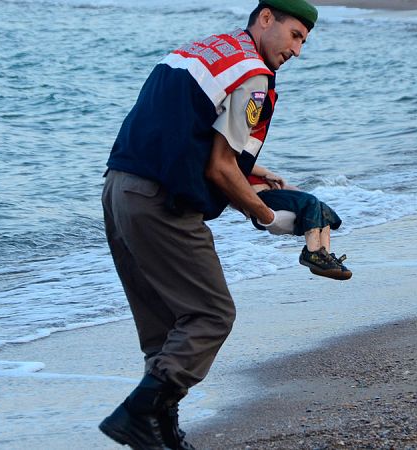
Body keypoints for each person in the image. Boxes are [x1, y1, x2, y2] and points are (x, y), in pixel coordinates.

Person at [98, 0, 326, 448]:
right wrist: (269, 217)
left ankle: (161, 436)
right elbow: (220, 170)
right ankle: (135, 413)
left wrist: (252, 171)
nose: (298, 50)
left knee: (163, 330)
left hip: (119, 189)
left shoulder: (205, 49)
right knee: (210, 314)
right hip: (161, 203)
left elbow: (184, 125)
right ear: (266, 18)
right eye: (296, 35)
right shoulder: (254, 75)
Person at [245, 166, 352, 280]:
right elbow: (243, 162)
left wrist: (281, 183)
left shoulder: (254, 169)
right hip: (261, 197)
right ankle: (312, 254)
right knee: (311, 201)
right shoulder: (239, 163)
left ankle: (324, 257)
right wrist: (267, 173)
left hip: (275, 194)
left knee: (320, 207)